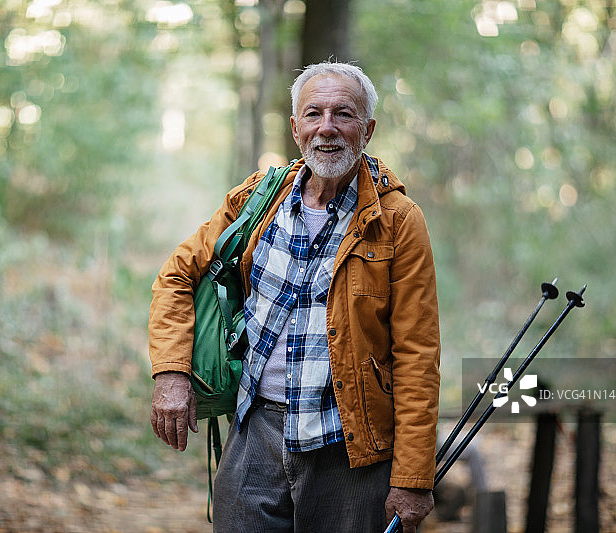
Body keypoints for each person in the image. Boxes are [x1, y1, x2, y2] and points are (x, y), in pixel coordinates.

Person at [149, 61, 441, 533]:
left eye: (343, 114)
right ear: (295, 127)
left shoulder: (398, 220)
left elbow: (417, 354)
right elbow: (177, 274)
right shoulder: (258, 198)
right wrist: (171, 373)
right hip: (255, 431)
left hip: (348, 446)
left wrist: (411, 477)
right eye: (313, 114)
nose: (327, 128)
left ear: (367, 130)